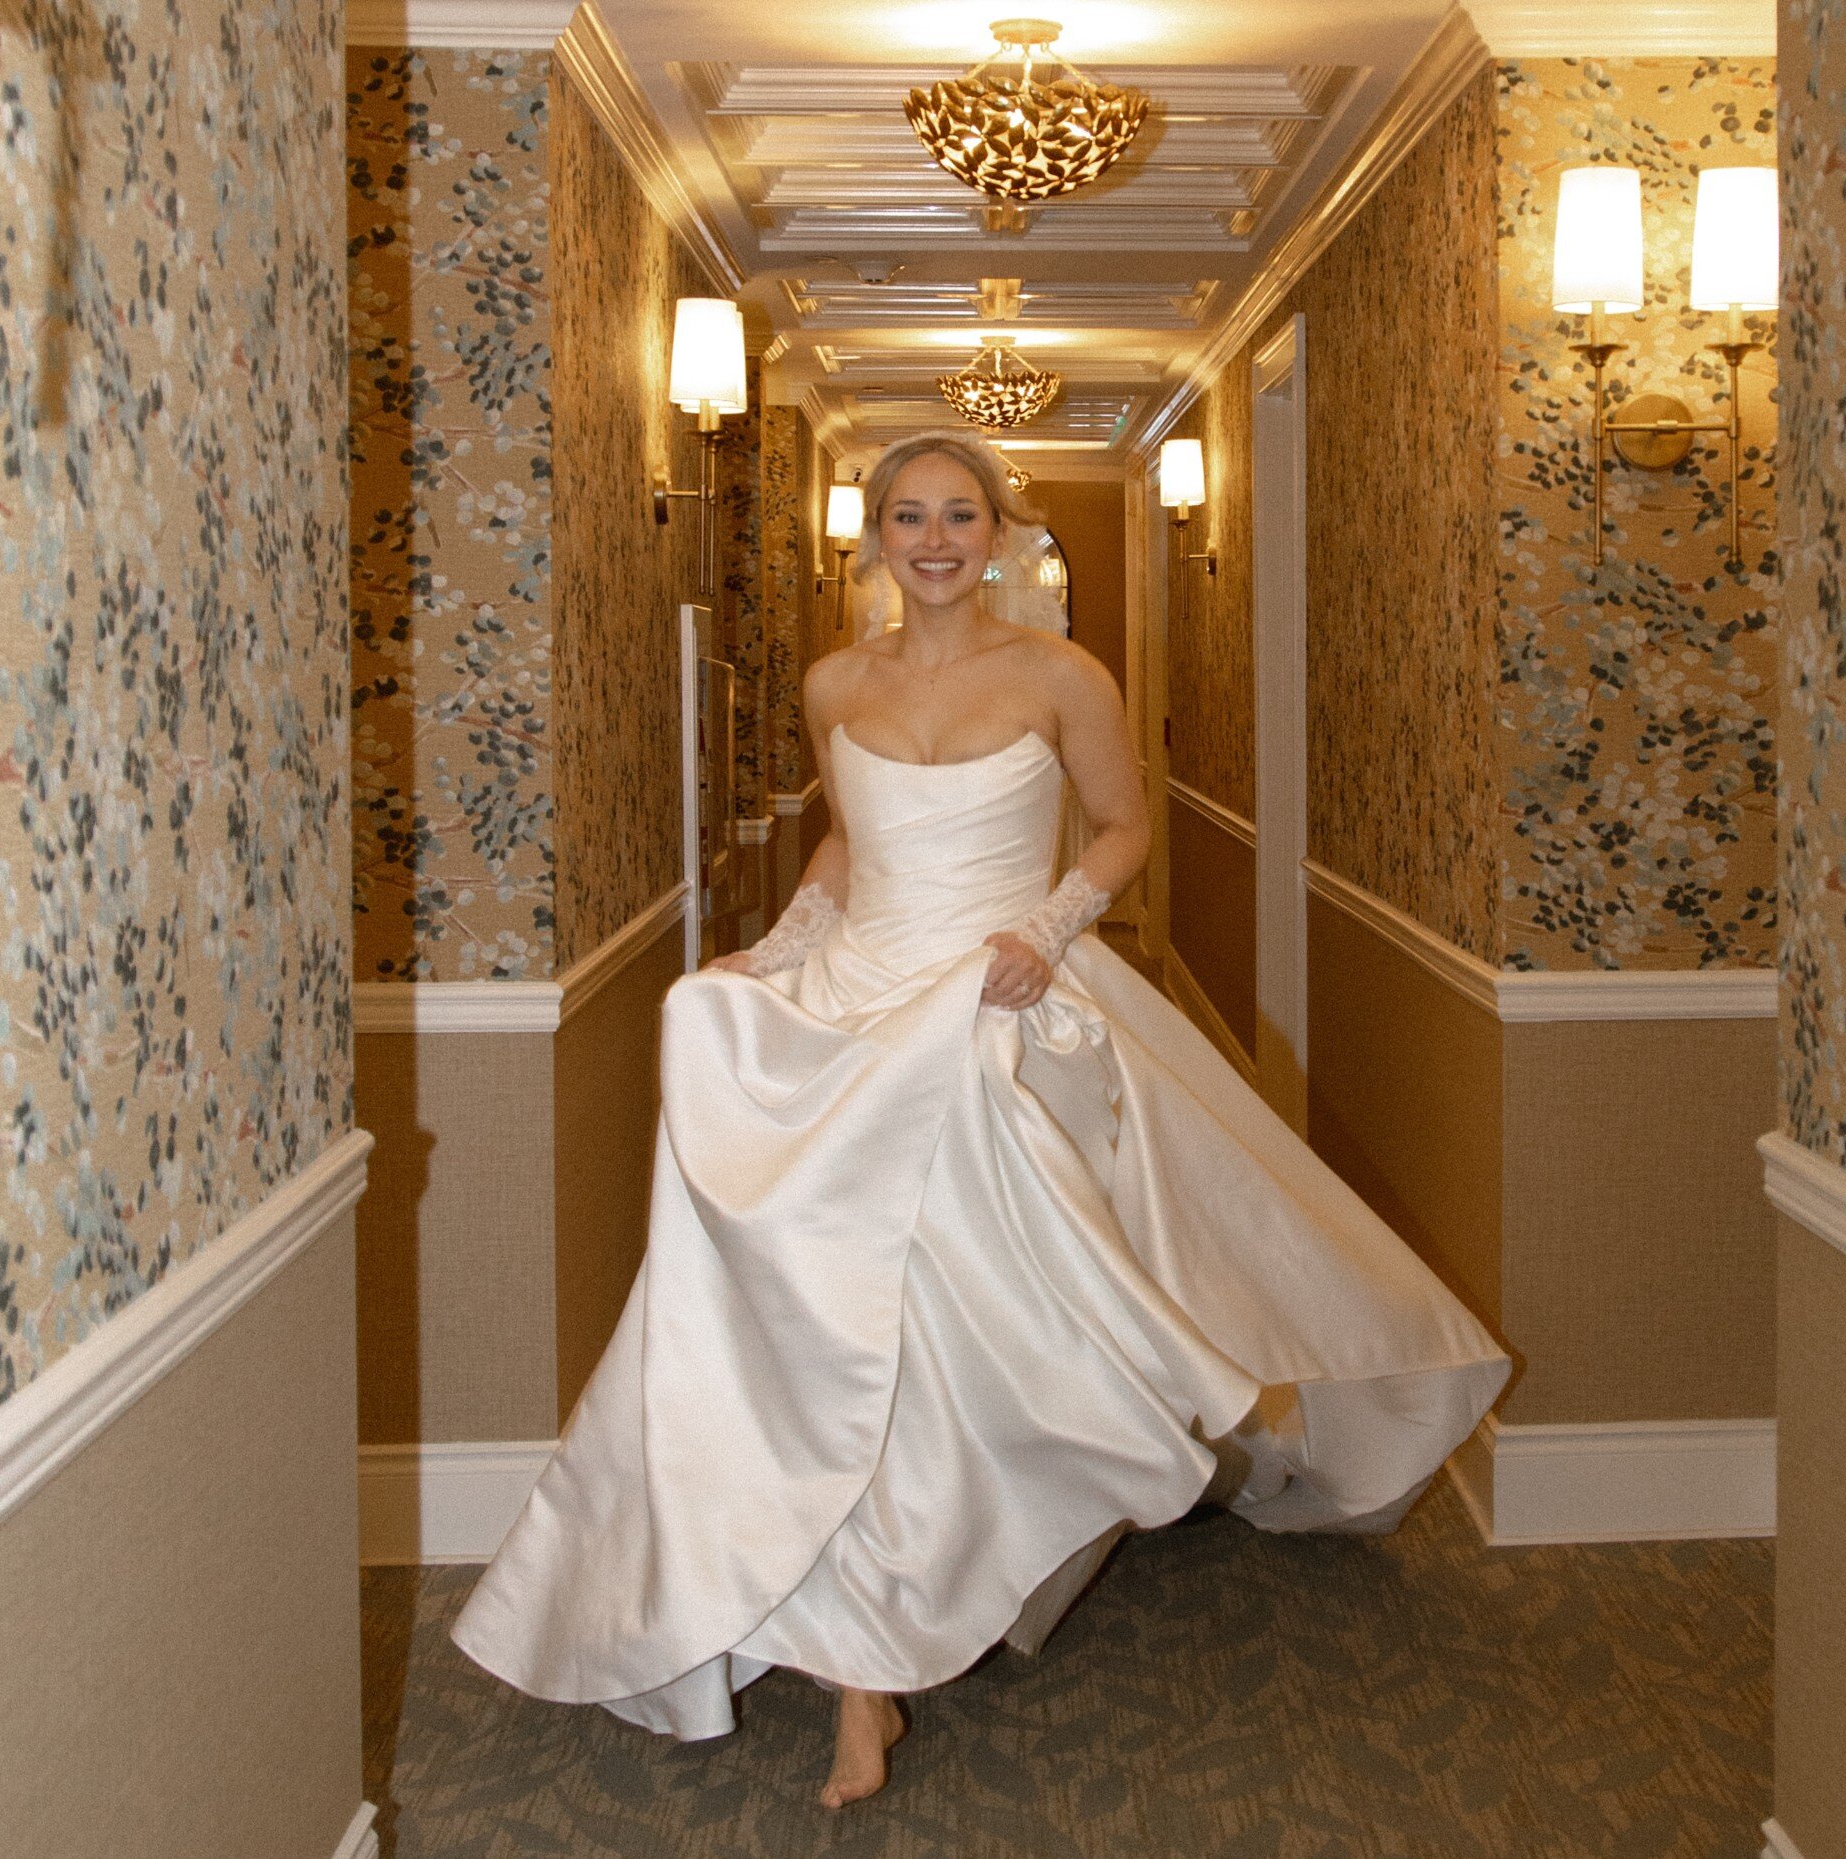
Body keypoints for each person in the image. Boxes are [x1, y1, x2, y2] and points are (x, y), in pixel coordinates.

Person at [452, 432, 1509, 1810]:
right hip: (858, 1001)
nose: (936, 539)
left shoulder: (1064, 674)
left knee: (934, 1336)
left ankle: (885, 1645)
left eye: (961, 515)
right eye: (910, 516)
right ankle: (863, 1673)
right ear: (876, 535)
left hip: (1001, 1004)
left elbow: (1121, 827)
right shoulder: (837, 681)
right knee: (829, 1330)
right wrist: (774, 954)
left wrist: (1048, 928)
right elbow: (850, 843)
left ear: (1000, 532)